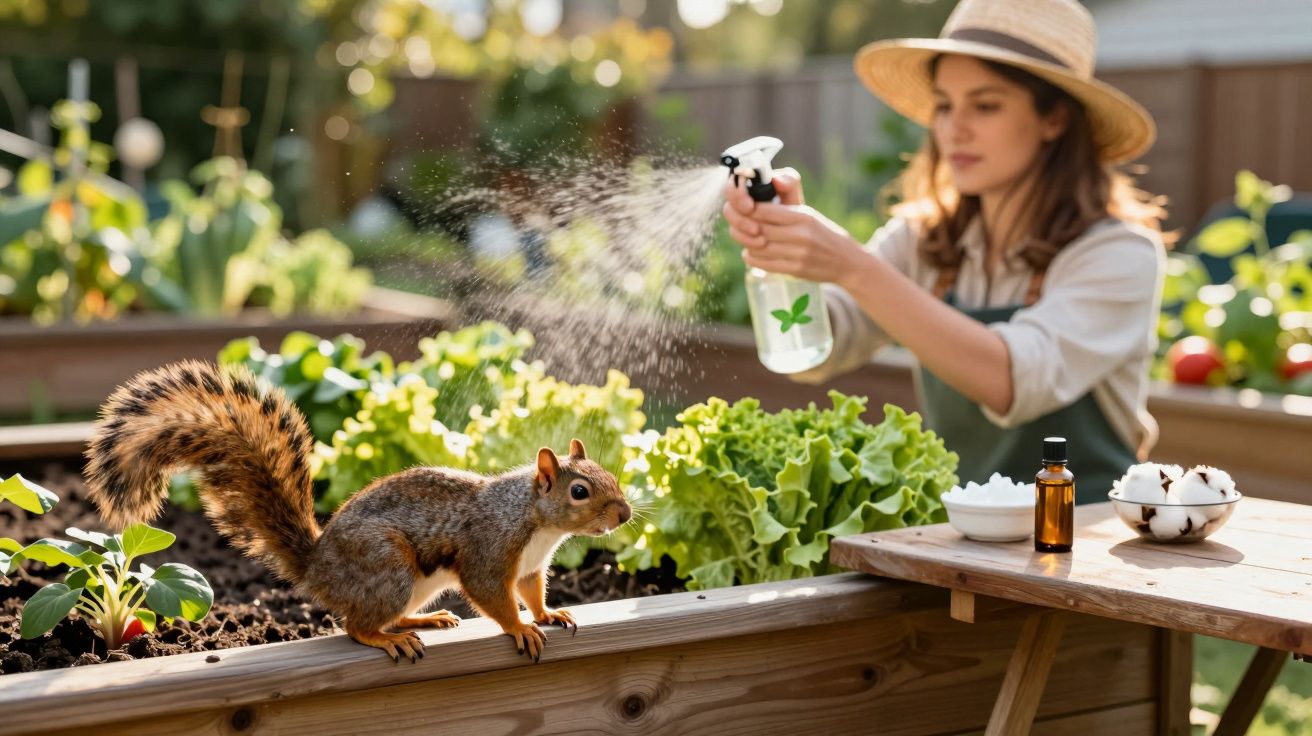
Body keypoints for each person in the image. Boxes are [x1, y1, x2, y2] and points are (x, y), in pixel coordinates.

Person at [722, 0, 1168, 503]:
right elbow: (815, 354)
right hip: (961, 540)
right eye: (944, 104)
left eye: (985, 105)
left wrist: (850, 264)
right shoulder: (924, 242)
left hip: (1085, 542)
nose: (954, 128)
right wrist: (782, 260)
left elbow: (1012, 381)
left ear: (1054, 119)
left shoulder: (1118, 254)